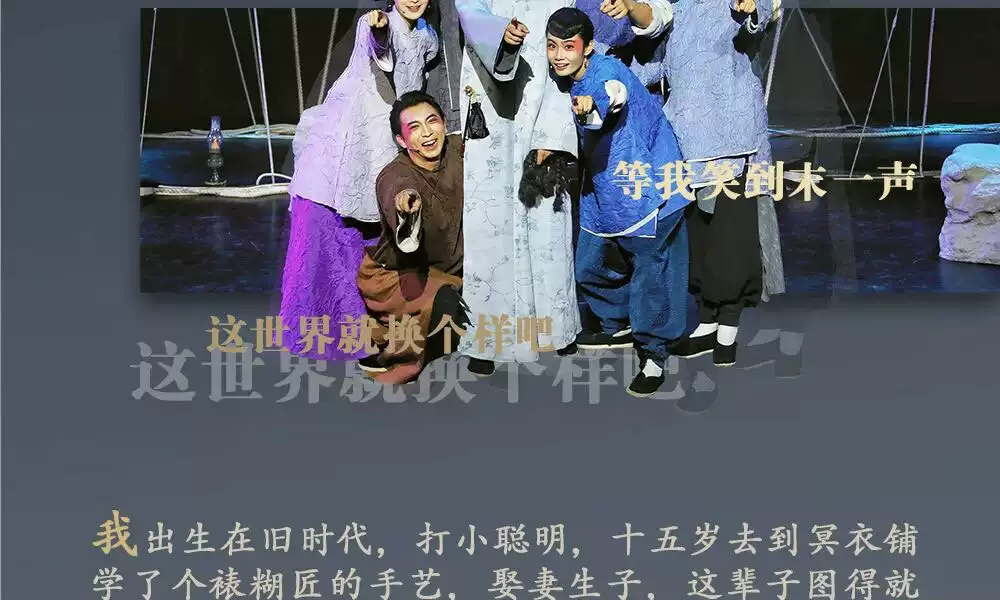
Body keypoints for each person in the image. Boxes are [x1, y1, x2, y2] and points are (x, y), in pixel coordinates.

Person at [279, 1, 443, 367]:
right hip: (345, 145)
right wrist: (379, 27)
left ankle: (377, 334)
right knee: (329, 241)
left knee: (371, 242)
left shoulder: (428, 36)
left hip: (382, 146)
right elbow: (382, 47)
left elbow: (424, 61)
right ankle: (340, 338)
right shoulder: (374, 25)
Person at [546, 7, 689, 396]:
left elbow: (613, 96)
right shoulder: (564, 77)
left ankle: (653, 356)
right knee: (589, 265)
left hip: (649, 183)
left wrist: (591, 109)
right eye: (552, 46)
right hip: (605, 186)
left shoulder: (606, 72)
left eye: (569, 47)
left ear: (589, 46)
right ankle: (619, 322)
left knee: (653, 275)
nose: (559, 55)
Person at [454, 0, 585, 376]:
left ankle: (553, 327)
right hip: (490, 104)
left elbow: (564, 53)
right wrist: (503, 36)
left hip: (542, 104)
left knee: (545, 213)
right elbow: (470, 12)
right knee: (489, 223)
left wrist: (553, 132)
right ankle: (488, 339)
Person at [660, 0, 786, 367]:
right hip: (687, 142)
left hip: (733, 141)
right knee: (700, 238)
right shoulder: (675, 9)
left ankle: (727, 326)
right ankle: (707, 321)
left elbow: (758, 17)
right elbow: (656, 64)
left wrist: (752, 9)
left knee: (731, 238)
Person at [357, 91, 467, 384]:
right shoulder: (393, 175)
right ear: (402, 140)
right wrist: (406, 204)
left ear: (444, 124)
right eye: (414, 128)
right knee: (447, 314)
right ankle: (386, 343)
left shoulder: (456, 151)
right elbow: (399, 190)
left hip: (449, 270)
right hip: (397, 276)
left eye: (432, 121)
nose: (427, 133)